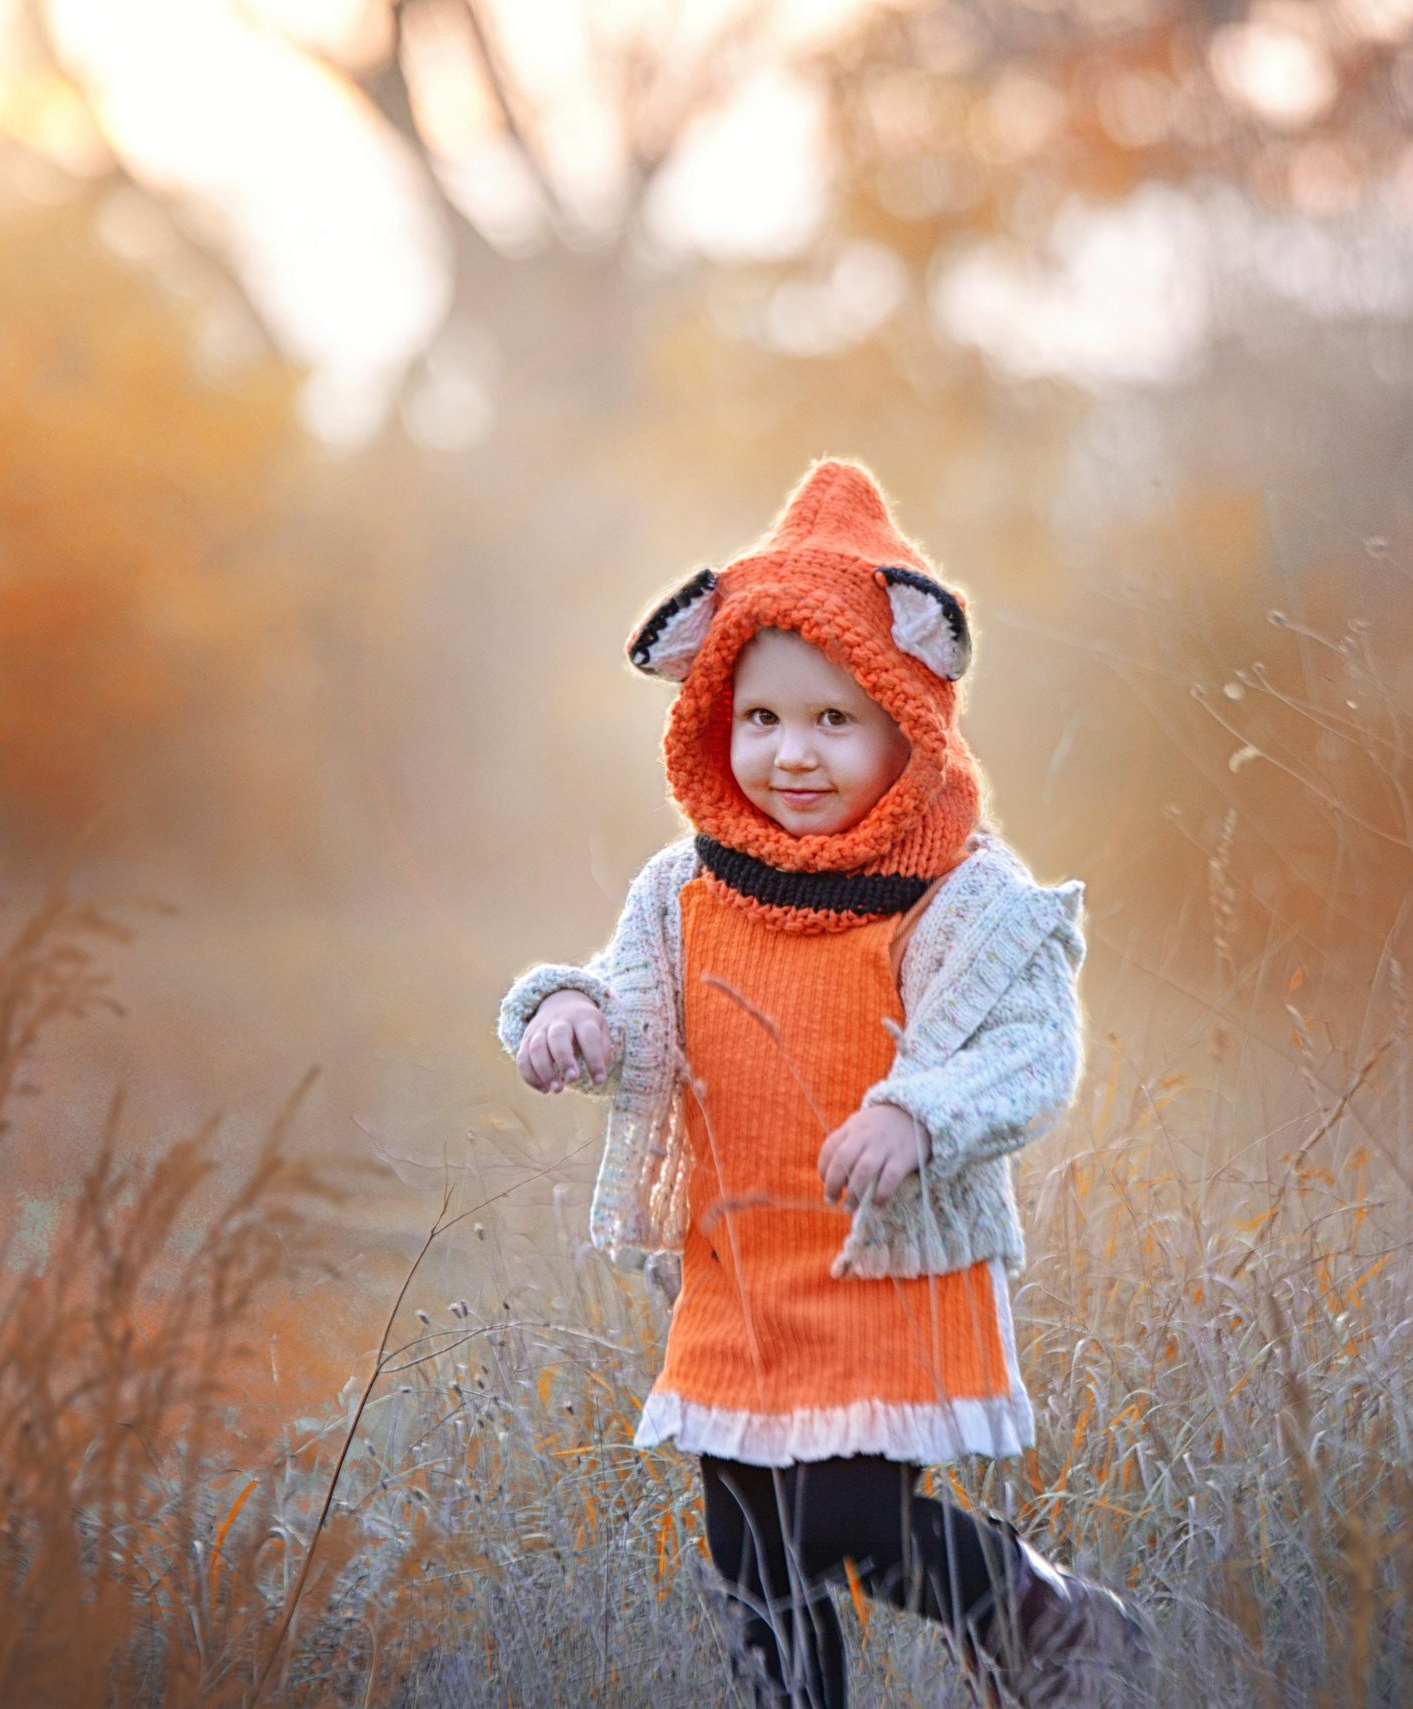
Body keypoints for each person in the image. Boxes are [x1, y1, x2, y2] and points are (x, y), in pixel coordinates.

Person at [496, 459, 1148, 1709]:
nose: (791, 753)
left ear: (910, 721)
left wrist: (917, 1110)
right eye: (760, 717)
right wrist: (572, 1014)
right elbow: (636, 1008)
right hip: (737, 1273)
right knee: (752, 1559)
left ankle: (1043, 1610)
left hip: (882, 1269)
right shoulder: (685, 887)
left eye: (834, 721)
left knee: (845, 1517)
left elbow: (1027, 1051)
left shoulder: (957, 895)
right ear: (710, 716)